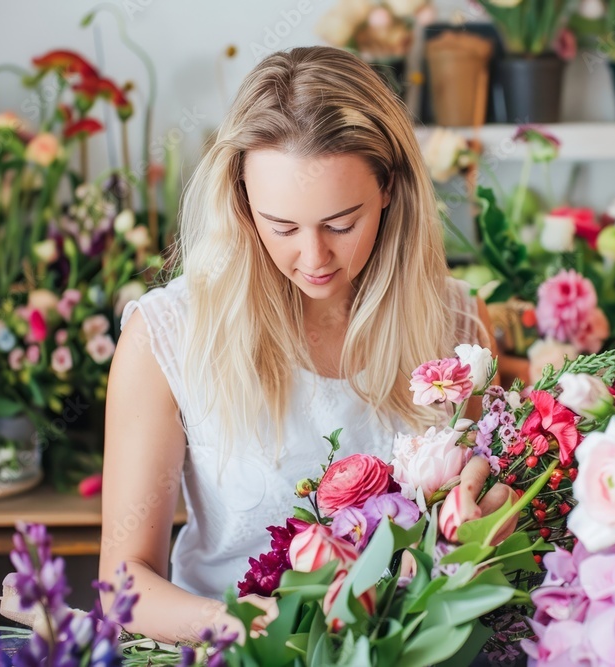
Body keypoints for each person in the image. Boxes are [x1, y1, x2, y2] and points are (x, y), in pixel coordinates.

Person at [99, 46, 507, 644]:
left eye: (341, 223)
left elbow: (487, 523)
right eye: (283, 227)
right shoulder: (169, 335)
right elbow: (122, 582)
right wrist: (243, 627)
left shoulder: (457, 322)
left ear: (390, 189)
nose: (313, 259)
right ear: (242, 200)